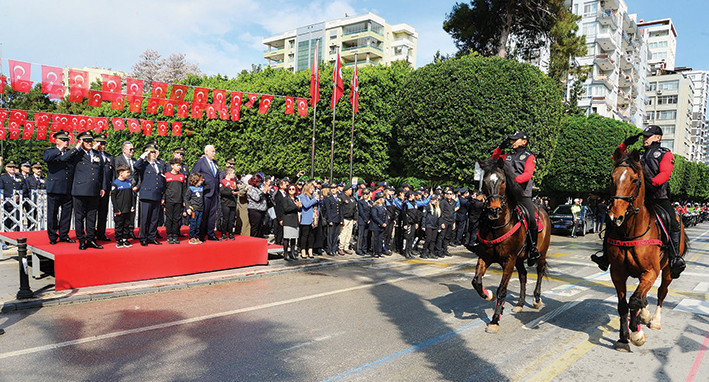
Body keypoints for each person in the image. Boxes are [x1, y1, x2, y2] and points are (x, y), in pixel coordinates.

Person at [592, 125, 685, 278]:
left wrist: (650, 183)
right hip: (636, 198)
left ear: (658, 137)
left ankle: (675, 258)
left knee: (674, 222)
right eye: (644, 136)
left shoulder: (665, 154)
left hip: (658, 197)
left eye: (648, 136)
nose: (645, 139)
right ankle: (605, 257)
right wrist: (624, 144)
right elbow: (617, 158)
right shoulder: (637, 155)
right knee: (612, 218)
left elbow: (665, 174)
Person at [492, 130, 541, 266]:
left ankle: (533, 249)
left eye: (515, 140)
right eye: (512, 140)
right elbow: (494, 158)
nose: (513, 142)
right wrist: (500, 147)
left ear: (524, 141)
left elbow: (527, 175)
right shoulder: (507, 155)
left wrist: (512, 180)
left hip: (522, 194)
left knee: (532, 220)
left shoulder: (530, 157)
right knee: (487, 209)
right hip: (506, 193)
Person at [69, 131, 108, 250]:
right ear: (81, 141)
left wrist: (103, 187)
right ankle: (81, 239)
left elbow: (102, 172)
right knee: (79, 216)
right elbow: (67, 157)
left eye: (90, 140)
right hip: (80, 189)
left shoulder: (97, 154)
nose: (89, 143)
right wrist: (77, 147)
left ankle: (91, 239)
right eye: (86, 141)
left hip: (94, 190)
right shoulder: (76, 154)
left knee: (92, 216)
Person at [43, 131, 76, 244]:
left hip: (67, 188)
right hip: (55, 188)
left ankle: (64, 234)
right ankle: (52, 236)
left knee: (66, 214)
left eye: (67, 140)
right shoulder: (50, 151)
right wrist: (59, 149)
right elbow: (46, 158)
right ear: (57, 140)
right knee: (52, 213)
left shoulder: (70, 153)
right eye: (63, 140)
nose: (66, 142)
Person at [134, 143, 165, 246]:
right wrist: (144, 155)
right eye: (151, 152)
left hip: (157, 194)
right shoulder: (144, 164)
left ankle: (151, 236)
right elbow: (136, 166)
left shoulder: (159, 165)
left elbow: (162, 181)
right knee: (145, 218)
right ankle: (143, 237)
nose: (154, 154)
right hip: (146, 194)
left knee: (154, 218)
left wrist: (163, 196)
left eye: (155, 152)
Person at [191, 145, 221, 241]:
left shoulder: (215, 163)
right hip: (204, 192)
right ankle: (201, 234)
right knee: (204, 214)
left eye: (214, 151)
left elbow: (216, 177)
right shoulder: (200, 162)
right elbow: (194, 175)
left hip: (214, 192)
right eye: (212, 151)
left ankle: (211, 233)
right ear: (206, 152)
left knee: (212, 214)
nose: (214, 153)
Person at [113, 141, 138, 239]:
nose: (132, 151)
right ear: (124, 149)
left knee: (131, 212)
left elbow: (138, 175)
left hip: (133, 190)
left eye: (133, 149)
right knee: (121, 215)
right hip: (122, 190)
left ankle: (130, 231)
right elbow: (116, 175)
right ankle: (120, 235)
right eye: (130, 149)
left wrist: (137, 186)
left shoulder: (135, 161)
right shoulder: (118, 160)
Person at [94, 134, 113, 242]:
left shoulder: (109, 156)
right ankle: (91, 233)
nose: (103, 146)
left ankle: (101, 233)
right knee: (92, 212)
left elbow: (113, 172)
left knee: (103, 212)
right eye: (100, 143)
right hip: (94, 187)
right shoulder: (92, 154)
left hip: (106, 188)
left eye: (104, 143)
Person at [0, 160, 29, 232]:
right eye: (9, 167)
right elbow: (1, 189)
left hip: (18, 203)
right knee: (7, 222)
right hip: (7, 203)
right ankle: (6, 240)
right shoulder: (3, 178)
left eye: (13, 167)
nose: (12, 168)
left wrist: (18, 196)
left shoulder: (20, 177)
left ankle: (18, 238)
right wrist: (10, 197)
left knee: (18, 222)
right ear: (6, 168)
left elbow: (25, 188)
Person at [111, 165, 135, 248]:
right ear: (121, 173)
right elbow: (113, 198)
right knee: (119, 225)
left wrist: (132, 206)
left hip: (128, 208)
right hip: (119, 209)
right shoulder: (115, 183)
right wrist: (116, 209)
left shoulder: (128, 182)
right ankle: (119, 240)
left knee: (127, 224)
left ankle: (125, 239)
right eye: (127, 172)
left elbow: (132, 196)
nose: (129, 174)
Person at [164, 158, 187, 244]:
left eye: (179, 165)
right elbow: (164, 188)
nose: (179, 167)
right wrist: (163, 199)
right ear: (172, 166)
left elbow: (184, 190)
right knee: (169, 218)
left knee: (177, 218)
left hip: (179, 200)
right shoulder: (166, 175)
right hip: (169, 200)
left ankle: (175, 234)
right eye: (177, 165)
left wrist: (184, 200)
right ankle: (169, 235)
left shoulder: (182, 176)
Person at [298, 182, 320, 259]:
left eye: (313, 188)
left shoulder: (314, 196)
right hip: (306, 219)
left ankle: (310, 250)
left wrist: (319, 199)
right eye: (311, 188)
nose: (313, 190)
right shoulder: (302, 196)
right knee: (305, 236)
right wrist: (314, 199)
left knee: (312, 236)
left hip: (314, 219)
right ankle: (303, 250)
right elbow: (306, 205)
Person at [246, 173, 271, 238]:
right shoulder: (251, 189)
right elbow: (257, 198)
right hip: (254, 210)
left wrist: (266, 192)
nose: (259, 183)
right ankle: (253, 242)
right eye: (258, 181)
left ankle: (259, 241)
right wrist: (263, 192)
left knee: (260, 228)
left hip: (262, 209)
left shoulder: (259, 188)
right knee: (255, 228)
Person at [281, 183, 302, 261]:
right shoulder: (285, 198)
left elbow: (299, 209)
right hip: (288, 219)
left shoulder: (296, 198)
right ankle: (286, 253)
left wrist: (299, 207)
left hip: (295, 220)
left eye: (293, 189)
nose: (291, 190)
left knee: (294, 237)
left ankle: (292, 253)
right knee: (286, 238)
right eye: (290, 189)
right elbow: (286, 209)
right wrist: (295, 206)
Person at [185, 173, 206, 244]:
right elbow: (186, 198)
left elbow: (208, 186)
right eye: (200, 180)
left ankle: (196, 237)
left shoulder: (201, 187)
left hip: (200, 208)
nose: (201, 181)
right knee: (193, 224)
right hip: (194, 209)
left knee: (198, 224)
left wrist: (204, 180)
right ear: (195, 180)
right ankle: (191, 237)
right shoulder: (191, 188)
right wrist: (188, 208)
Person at [323, 183, 343, 256]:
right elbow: (328, 210)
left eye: (334, 188)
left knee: (335, 235)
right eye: (332, 188)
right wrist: (330, 220)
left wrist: (341, 219)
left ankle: (334, 249)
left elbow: (340, 209)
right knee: (330, 235)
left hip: (337, 218)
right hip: (332, 218)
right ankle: (330, 249)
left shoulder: (339, 198)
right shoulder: (329, 198)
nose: (333, 190)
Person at [219, 168, 238, 240]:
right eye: (233, 173)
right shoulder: (223, 182)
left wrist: (235, 191)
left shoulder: (234, 182)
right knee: (225, 219)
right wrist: (231, 191)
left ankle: (230, 233)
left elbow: (237, 190)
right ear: (229, 174)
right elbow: (222, 191)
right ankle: (223, 233)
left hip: (233, 202)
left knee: (231, 219)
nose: (234, 175)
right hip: (226, 202)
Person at [338, 185, 357, 255]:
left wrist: (355, 218)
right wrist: (341, 219)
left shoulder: (352, 198)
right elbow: (340, 209)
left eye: (351, 190)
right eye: (349, 190)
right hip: (345, 218)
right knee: (343, 233)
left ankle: (346, 247)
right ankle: (341, 248)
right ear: (345, 190)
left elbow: (355, 209)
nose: (351, 191)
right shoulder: (342, 197)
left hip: (351, 219)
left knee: (349, 234)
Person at [422, 194, 442, 259]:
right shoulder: (427, 207)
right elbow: (424, 217)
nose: (432, 201)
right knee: (428, 239)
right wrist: (423, 225)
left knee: (433, 240)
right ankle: (424, 252)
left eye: (434, 199)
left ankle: (431, 252)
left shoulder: (438, 208)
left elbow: (439, 218)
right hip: (429, 225)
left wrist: (439, 227)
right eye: (431, 199)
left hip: (435, 226)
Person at [356, 188, 372, 255]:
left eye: (366, 194)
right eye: (364, 194)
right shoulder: (360, 202)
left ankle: (364, 249)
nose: (365, 195)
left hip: (369, 221)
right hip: (362, 221)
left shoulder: (370, 202)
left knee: (366, 236)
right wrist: (366, 220)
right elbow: (361, 212)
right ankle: (359, 249)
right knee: (361, 235)